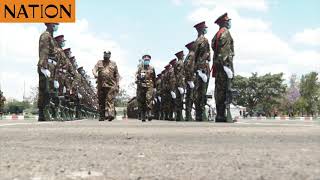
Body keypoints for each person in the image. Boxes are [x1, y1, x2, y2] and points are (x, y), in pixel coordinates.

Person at [211, 13, 234, 122]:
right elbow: (224, 52)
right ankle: (222, 114)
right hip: (224, 66)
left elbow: (214, 48)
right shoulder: (225, 33)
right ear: (224, 22)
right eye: (228, 21)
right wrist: (227, 66)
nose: (229, 23)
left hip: (218, 66)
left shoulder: (217, 34)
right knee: (225, 90)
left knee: (219, 90)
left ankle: (220, 114)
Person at [37, 23, 59, 121]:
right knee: (44, 90)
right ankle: (42, 114)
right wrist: (43, 66)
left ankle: (45, 113)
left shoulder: (50, 37)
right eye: (55, 24)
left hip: (51, 66)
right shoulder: (45, 35)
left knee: (48, 91)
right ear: (50, 24)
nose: (56, 26)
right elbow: (43, 51)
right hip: (47, 64)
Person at [93, 51, 120, 121]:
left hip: (111, 85)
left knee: (109, 99)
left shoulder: (113, 63)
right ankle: (102, 116)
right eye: (105, 55)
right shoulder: (99, 62)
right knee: (101, 100)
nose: (106, 56)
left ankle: (110, 114)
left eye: (107, 55)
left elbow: (117, 75)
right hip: (101, 85)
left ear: (110, 56)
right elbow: (94, 69)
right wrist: (95, 74)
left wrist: (117, 84)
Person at [193, 21, 211, 121]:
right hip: (203, 68)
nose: (206, 29)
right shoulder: (203, 40)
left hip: (199, 69)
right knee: (202, 91)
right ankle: (201, 113)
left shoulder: (196, 41)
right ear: (202, 30)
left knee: (198, 91)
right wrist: (201, 70)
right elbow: (201, 57)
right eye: (205, 28)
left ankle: (199, 114)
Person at [135, 54, 156, 122]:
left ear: (149, 60)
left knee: (148, 98)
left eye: (148, 60)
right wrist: (139, 79)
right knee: (142, 101)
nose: (146, 61)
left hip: (149, 86)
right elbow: (137, 77)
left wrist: (155, 87)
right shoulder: (140, 68)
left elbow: (154, 78)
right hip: (142, 86)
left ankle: (149, 113)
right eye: (145, 60)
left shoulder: (152, 68)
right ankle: (143, 115)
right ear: (143, 60)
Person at [184, 41, 196, 121]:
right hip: (190, 79)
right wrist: (190, 79)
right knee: (190, 97)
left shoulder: (189, 55)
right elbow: (188, 67)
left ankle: (188, 115)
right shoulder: (191, 55)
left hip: (189, 79)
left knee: (189, 97)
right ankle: (188, 115)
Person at [174, 51, 185, 121]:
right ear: (181, 56)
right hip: (180, 84)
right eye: (183, 56)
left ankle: (178, 116)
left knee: (178, 100)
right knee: (180, 100)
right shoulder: (180, 63)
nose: (183, 56)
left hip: (178, 84)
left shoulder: (177, 63)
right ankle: (179, 116)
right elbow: (179, 75)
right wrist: (180, 85)